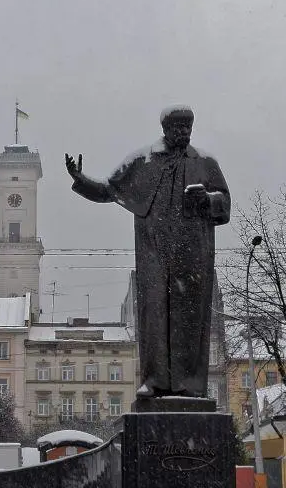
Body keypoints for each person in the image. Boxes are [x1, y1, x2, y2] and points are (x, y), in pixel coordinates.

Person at [66, 107, 229, 403]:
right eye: (177, 128)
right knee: (153, 316)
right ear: (165, 129)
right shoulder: (144, 162)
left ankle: (189, 386)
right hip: (154, 254)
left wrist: (208, 199)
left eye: (187, 128)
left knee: (189, 320)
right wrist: (80, 179)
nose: (183, 133)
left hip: (192, 255)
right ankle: (155, 382)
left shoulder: (205, 163)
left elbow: (224, 204)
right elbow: (110, 190)